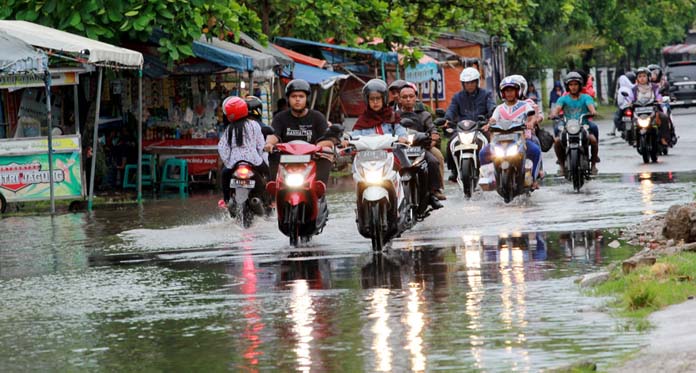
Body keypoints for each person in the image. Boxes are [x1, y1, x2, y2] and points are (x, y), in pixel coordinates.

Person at [352, 79, 443, 209]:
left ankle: (429, 194)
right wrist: (346, 141)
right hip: (370, 158)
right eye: (372, 99)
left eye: (378, 98)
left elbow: (401, 131)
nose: (376, 102)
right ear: (367, 101)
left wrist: (403, 138)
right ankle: (360, 205)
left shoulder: (393, 116)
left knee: (425, 163)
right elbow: (354, 135)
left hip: (394, 154)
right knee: (358, 175)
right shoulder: (362, 120)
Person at [264, 79, 338, 185]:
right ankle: (274, 189)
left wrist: (320, 147)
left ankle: (319, 190)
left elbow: (327, 139)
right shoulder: (280, 117)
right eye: (294, 96)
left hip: (312, 158)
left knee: (326, 154)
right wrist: (269, 144)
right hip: (285, 159)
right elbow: (274, 135)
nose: (297, 100)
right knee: (272, 154)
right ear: (288, 99)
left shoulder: (317, 117)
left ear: (306, 99)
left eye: (301, 96)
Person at [478, 76, 542, 189]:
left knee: (536, 151)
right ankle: (489, 177)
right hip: (500, 141)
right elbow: (493, 119)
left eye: (511, 90)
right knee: (483, 153)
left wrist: (531, 123)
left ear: (517, 91)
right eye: (506, 91)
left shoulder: (524, 105)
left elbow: (532, 117)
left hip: (521, 140)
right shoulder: (499, 108)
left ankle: (532, 178)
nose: (509, 93)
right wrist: (489, 125)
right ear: (503, 93)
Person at [444, 67, 496, 182]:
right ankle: (454, 170)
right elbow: (451, 110)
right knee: (450, 143)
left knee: (492, 142)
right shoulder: (457, 97)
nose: (470, 85)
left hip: (481, 127)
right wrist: (447, 119)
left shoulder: (486, 94)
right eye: (467, 83)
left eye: (472, 82)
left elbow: (492, 107)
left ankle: (493, 167)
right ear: (463, 84)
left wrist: (492, 116)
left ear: (477, 82)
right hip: (463, 129)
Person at [397, 82, 446, 200]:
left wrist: (432, 140)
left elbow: (433, 130)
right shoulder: (394, 116)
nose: (408, 99)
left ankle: (435, 189)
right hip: (401, 149)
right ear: (399, 99)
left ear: (416, 98)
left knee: (435, 159)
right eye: (404, 97)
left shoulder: (424, 114)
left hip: (422, 147)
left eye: (411, 96)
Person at [218, 96, 268, 205]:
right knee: (267, 173)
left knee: (224, 176)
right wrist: (260, 156)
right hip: (254, 160)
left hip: (234, 162)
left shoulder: (229, 128)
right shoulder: (254, 125)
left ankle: (226, 200)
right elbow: (260, 145)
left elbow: (222, 147)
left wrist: (228, 162)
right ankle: (268, 199)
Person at [550, 71, 599, 175]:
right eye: (571, 85)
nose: (573, 87)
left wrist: (593, 111)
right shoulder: (563, 99)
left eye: (575, 84)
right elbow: (557, 108)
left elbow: (591, 107)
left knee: (593, 140)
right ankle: (562, 165)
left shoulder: (586, 97)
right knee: (557, 141)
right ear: (567, 86)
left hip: (583, 126)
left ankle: (594, 164)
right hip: (567, 126)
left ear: (580, 85)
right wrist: (553, 114)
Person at [630, 67, 671, 147]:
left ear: (648, 77)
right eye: (640, 76)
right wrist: (629, 102)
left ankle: (664, 138)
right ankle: (635, 139)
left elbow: (658, 95)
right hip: (639, 111)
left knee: (664, 117)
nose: (642, 78)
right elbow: (631, 98)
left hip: (653, 109)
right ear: (637, 78)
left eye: (644, 76)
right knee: (632, 121)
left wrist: (659, 100)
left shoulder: (654, 87)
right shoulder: (634, 89)